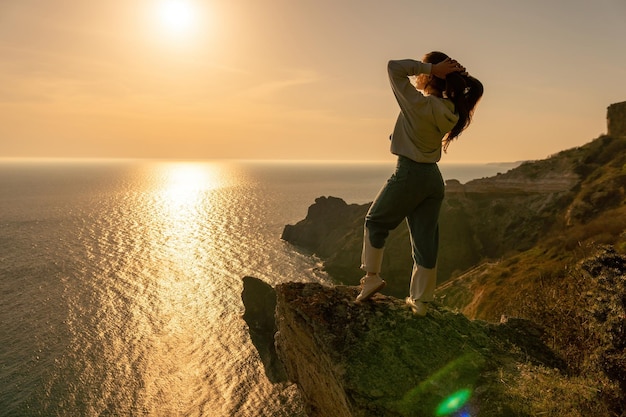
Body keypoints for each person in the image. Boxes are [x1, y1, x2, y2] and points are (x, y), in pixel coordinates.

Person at [355, 51, 484, 316]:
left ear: (433, 75)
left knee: (375, 221)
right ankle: (421, 301)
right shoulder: (451, 110)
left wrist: (431, 66)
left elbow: (393, 67)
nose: (419, 75)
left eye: (426, 70)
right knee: (425, 241)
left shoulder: (417, 104)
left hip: (409, 174)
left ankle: (371, 278)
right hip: (433, 180)